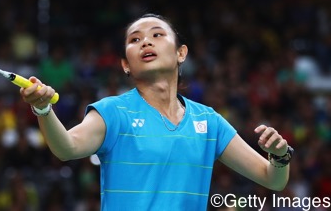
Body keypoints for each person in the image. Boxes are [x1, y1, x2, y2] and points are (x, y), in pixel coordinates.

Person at [20, 13, 294, 210]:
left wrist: (280, 157)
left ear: (181, 53)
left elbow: (273, 179)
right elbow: (67, 147)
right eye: (135, 39)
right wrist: (43, 108)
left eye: (157, 35)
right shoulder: (114, 112)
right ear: (126, 65)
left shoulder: (208, 122)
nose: (146, 42)